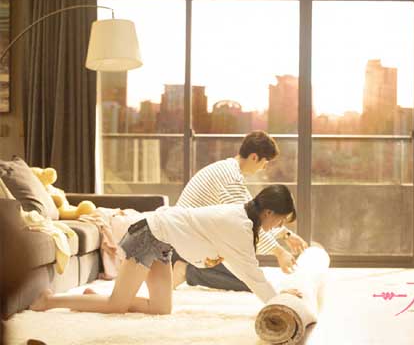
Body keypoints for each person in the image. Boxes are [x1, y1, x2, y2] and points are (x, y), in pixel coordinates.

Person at [30, 185, 302, 314]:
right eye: (280, 221)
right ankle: (49, 301)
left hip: (161, 242)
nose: (278, 226)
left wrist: (277, 294)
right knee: (117, 305)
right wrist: (278, 300)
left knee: (160, 309)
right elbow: (251, 273)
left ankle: (93, 300)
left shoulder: (241, 219)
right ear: (269, 212)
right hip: (148, 235)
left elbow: (236, 263)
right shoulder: (239, 224)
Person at [172, 130, 308, 291]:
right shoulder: (230, 179)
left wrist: (286, 234)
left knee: (248, 273)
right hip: (182, 244)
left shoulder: (229, 171)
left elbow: (254, 217)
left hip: (190, 238)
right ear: (254, 157)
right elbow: (247, 225)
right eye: (265, 162)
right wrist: (279, 252)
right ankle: (186, 270)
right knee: (248, 279)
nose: (264, 168)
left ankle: (188, 268)